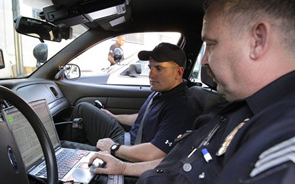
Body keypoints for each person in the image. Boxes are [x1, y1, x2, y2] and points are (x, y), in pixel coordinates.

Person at [88, 0, 295, 184]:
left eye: (211, 44)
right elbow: (177, 164)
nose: (204, 60)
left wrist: (115, 150)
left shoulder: (283, 139)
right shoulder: (232, 110)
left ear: (257, 41)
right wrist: (123, 168)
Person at [67, 43, 201, 162]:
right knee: (82, 109)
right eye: (150, 67)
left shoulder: (182, 107)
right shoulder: (162, 91)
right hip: (127, 139)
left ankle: (77, 158)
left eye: (159, 68)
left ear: (178, 72)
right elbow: (144, 117)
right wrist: (114, 117)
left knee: (64, 149)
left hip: (133, 153)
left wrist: (113, 148)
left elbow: (155, 154)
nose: (151, 74)